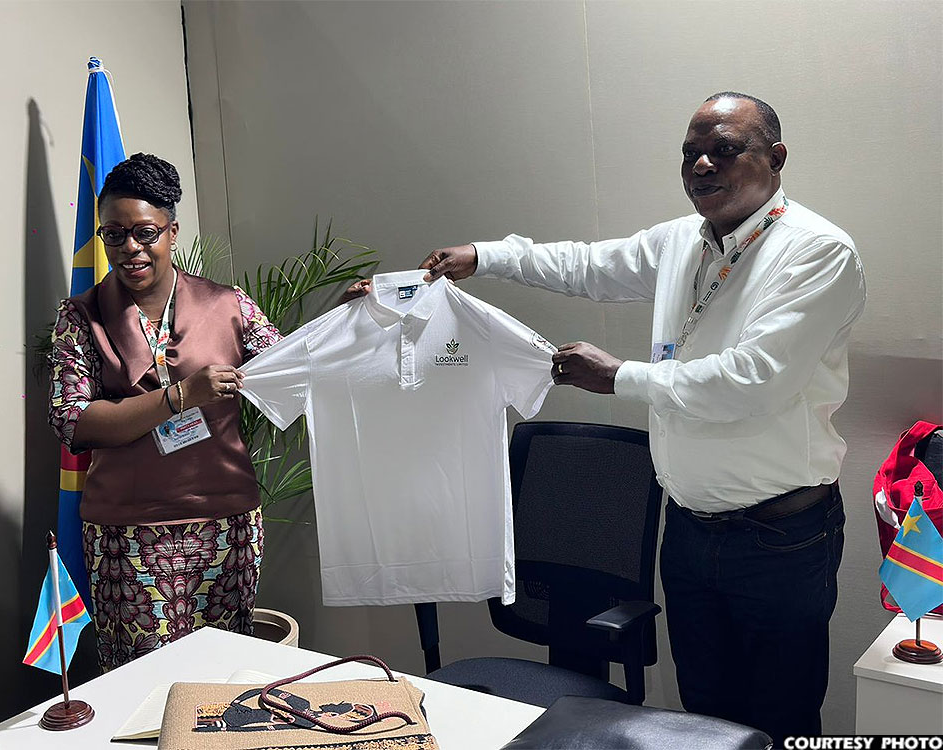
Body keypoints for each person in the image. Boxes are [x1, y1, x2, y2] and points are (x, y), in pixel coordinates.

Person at [345, 92, 866, 743]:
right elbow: (585, 265)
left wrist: (618, 376)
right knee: (703, 719)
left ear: (776, 157)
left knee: (780, 718)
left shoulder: (817, 252)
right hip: (690, 529)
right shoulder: (684, 241)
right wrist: (486, 255)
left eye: (724, 150)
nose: (702, 165)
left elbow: (752, 383)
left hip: (779, 537)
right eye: (691, 153)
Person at [48, 153, 281, 671]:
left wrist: (353, 319)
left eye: (145, 233)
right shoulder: (81, 316)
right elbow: (73, 420)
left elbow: (290, 368)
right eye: (114, 235)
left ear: (172, 233)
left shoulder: (229, 305)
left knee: (223, 677)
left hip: (226, 527)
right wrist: (178, 397)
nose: (130, 247)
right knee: (142, 682)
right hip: (127, 535)